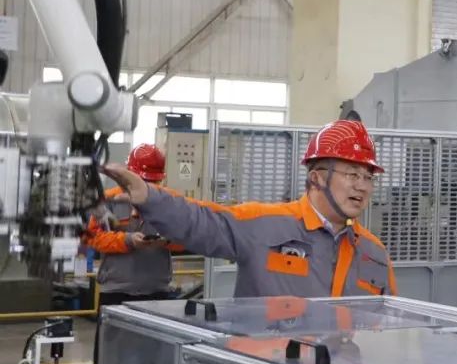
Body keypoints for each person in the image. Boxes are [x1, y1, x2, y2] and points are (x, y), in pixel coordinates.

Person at [101, 120, 396, 298]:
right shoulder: (263, 227)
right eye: (352, 174)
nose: (362, 186)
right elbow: (201, 221)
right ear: (316, 177)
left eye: (368, 177)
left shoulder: (374, 254)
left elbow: (388, 328)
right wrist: (150, 197)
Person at [85, 144, 182, 306]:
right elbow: (94, 238)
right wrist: (128, 240)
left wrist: (167, 241)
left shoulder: (170, 201)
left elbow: (186, 239)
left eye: (153, 181)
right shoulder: (109, 200)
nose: (147, 185)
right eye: (142, 180)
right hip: (116, 291)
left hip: (157, 291)